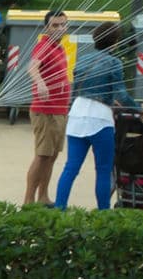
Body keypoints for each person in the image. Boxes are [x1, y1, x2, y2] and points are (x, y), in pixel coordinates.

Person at [56, 22, 138, 210]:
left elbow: (75, 90)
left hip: (77, 114)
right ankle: (103, 212)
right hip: (100, 118)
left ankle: (60, 209)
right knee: (103, 169)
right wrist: (139, 109)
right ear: (115, 42)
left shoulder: (82, 60)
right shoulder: (114, 63)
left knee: (71, 168)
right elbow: (121, 95)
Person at [23, 10, 72, 206]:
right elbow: (32, 67)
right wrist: (40, 82)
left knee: (51, 156)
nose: (60, 29)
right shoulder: (44, 46)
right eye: (55, 25)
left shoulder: (58, 47)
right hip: (45, 110)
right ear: (46, 28)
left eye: (63, 25)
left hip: (59, 110)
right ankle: (28, 201)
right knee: (42, 155)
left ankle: (43, 197)